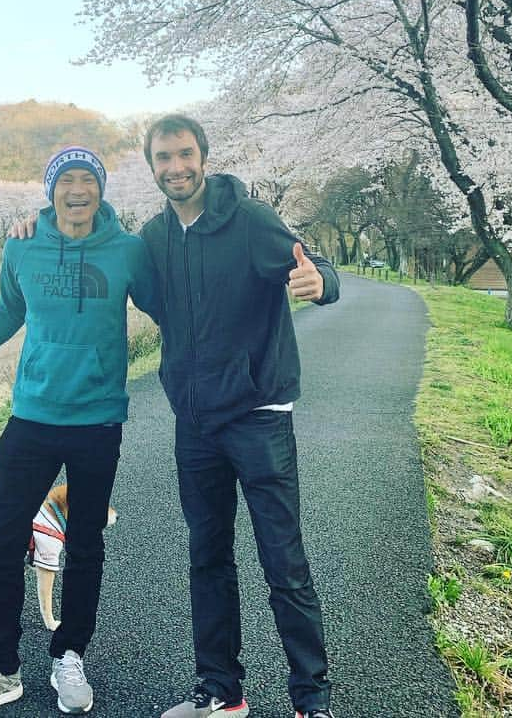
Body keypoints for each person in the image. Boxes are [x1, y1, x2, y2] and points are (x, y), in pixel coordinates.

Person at [0, 146, 158, 718]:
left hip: (99, 419)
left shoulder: (128, 251)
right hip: (31, 417)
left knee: (85, 545)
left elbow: (167, 308)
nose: (78, 191)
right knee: (3, 543)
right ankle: (0, 668)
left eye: (88, 180)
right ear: (50, 191)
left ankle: (69, 654)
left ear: (101, 190)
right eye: (66, 181)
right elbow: (8, 310)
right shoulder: (22, 244)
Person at [141, 114, 339, 718]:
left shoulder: (250, 220)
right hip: (195, 421)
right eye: (163, 158)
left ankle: (312, 700)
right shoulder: (154, 236)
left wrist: (318, 283)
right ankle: (221, 691)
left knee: (283, 560)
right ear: (151, 166)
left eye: (184, 154)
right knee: (206, 556)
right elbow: (148, 295)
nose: (175, 167)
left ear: (204, 155)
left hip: (258, 415)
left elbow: (318, 267)